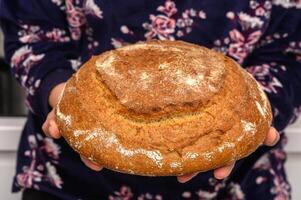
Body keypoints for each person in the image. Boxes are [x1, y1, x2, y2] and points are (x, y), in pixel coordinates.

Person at [0, 0, 300, 199]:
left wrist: (253, 115)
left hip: (239, 187)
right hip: (71, 184)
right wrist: (63, 95)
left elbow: (289, 56)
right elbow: (32, 36)